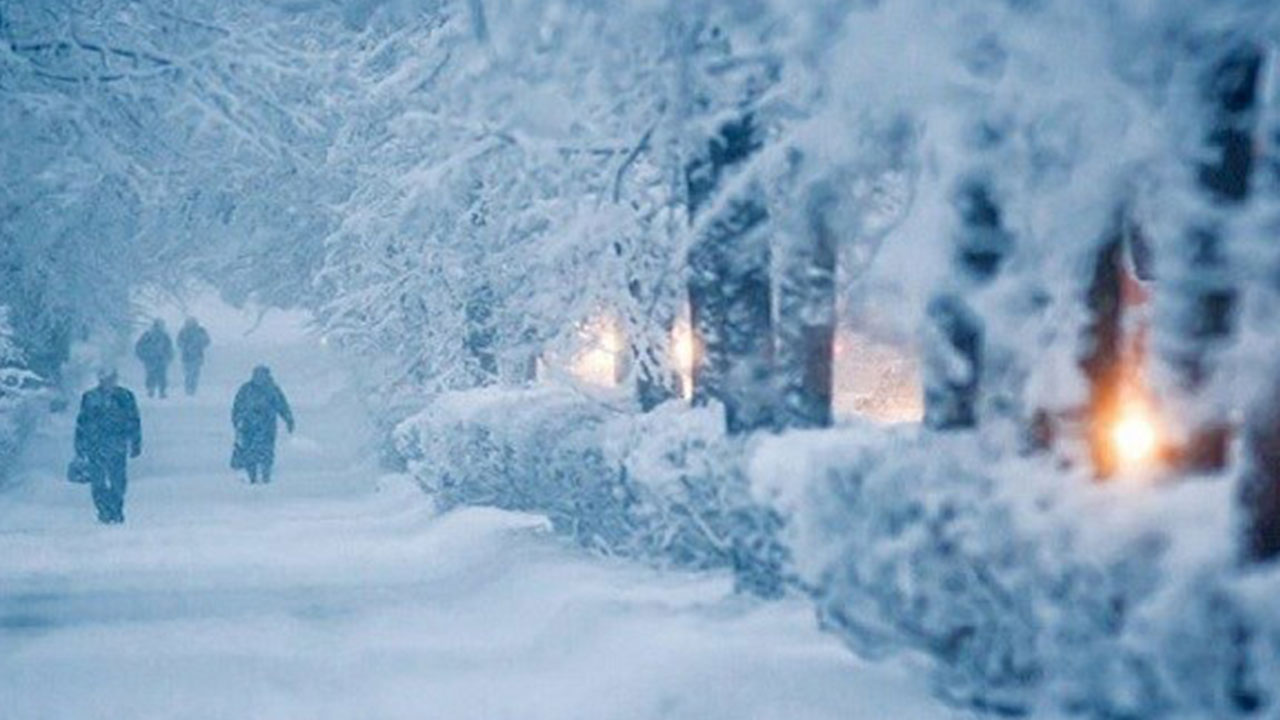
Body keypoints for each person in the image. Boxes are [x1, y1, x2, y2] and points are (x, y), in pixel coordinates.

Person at [74, 368, 142, 524]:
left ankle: (116, 508)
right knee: (97, 480)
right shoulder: (90, 397)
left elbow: (134, 420)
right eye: (105, 379)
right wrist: (80, 446)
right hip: (95, 445)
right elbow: (82, 422)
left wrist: (135, 442)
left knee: (118, 480)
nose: (108, 382)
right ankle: (103, 509)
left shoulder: (125, 396)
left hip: (117, 444)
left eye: (111, 378)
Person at [232, 365, 294, 484]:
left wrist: (288, 419)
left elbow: (282, 405)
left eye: (261, 375)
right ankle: (252, 476)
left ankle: (266, 474)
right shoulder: (246, 389)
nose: (259, 378)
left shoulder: (272, 390)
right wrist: (237, 421)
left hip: (267, 426)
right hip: (248, 426)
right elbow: (237, 406)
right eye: (257, 375)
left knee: (266, 451)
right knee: (250, 451)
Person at [135, 319, 174, 399]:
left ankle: (160, 391)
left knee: (160, 375)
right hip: (151, 359)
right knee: (153, 375)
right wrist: (143, 356)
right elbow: (139, 346)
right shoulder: (148, 335)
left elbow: (169, 348)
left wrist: (169, 356)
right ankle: (152, 389)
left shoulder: (164, 336)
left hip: (159, 359)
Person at [177, 317, 211, 396]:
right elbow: (179, 342)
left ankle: (192, 388)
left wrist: (199, 343)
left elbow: (207, 341)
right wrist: (186, 346)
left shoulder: (200, 330)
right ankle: (189, 388)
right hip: (187, 357)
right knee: (188, 374)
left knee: (195, 374)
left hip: (197, 357)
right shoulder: (183, 331)